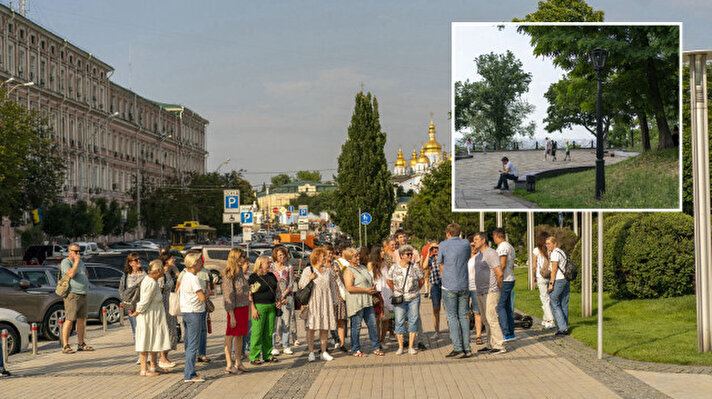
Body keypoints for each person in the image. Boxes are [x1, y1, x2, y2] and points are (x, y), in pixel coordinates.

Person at [129, 260, 172, 377]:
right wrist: (137, 312)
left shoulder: (152, 281)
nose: (163, 272)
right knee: (146, 341)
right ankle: (144, 369)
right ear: (158, 271)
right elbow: (144, 301)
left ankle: (154, 366)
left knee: (154, 340)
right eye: (162, 270)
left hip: (155, 316)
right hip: (148, 317)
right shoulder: (150, 283)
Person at [438, 223, 472, 359]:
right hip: (463, 283)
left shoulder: (443, 245)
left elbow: (440, 261)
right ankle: (467, 348)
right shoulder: (465, 244)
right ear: (459, 232)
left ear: (447, 233)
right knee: (463, 315)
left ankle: (457, 348)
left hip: (449, 284)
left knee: (452, 316)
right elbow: (467, 258)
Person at [342, 248, 383, 357]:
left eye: (358, 255)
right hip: (356, 302)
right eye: (355, 256)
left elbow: (367, 280)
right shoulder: (348, 271)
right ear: (349, 259)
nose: (358, 257)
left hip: (367, 301)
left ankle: (376, 347)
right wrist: (365, 290)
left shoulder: (363, 267)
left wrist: (371, 287)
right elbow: (349, 288)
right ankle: (356, 349)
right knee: (356, 326)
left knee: (373, 325)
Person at [299, 247, 337, 362]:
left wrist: (334, 302)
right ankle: (311, 352)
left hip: (326, 301)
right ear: (316, 257)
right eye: (323, 256)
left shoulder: (328, 271)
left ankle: (324, 351)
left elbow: (332, 288)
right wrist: (310, 279)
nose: (325, 258)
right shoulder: (308, 270)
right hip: (313, 302)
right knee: (311, 328)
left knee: (324, 327)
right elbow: (301, 285)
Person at [387, 245, 425, 355]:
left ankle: (411, 346)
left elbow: (421, 280)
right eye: (407, 254)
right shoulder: (394, 267)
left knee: (413, 320)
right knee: (399, 321)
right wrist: (396, 291)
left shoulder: (415, 267)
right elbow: (389, 281)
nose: (410, 256)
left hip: (413, 298)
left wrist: (416, 290)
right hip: (400, 298)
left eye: (411, 254)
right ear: (401, 255)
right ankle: (400, 346)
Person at [472, 232, 506, 354]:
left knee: (491, 317)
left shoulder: (491, 253)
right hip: (480, 291)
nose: (474, 242)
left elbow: (499, 272)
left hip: (491, 290)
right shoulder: (478, 256)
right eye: (473, 240)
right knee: (485, 319)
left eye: (476, 239)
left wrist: (499, 287)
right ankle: (490, 343)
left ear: (483, 240)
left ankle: (499, 345)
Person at [60, 243, 94, 354]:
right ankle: (65, 345)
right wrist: (77, 262)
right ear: (69, 251)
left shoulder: (81, 262)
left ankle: (81, 343)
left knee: (81, 320)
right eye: (76, 252)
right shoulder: (66, 262)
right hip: (72, 294)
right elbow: (70, 274)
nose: (78, 254)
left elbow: (84, 273)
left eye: (80, 252)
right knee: (69, 320)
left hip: (83, 293)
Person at [248, 255, 283, 364]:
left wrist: (279, 299)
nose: (270, 265)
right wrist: (253, 308)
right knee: (257, 332)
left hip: (271, 306)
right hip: (259, 306)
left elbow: (277, 289)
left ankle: (268, 354)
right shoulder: (254, 277)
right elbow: (250, 294)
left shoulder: (272, 275)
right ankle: (254, 356)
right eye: (267, 263)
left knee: (269, 332)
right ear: (261, 264)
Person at [221, 248, 251, 374]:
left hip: (244, 307)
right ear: (235, 258)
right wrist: (231, 315)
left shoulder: (240, 273)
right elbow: (228, 295)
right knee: (230, 335)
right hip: (234, 309)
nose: (243, 258)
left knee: (240, 336)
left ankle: (239, 362)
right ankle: (229, 364)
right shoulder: (229, 275)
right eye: (241, 256)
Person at [180, 252, 207, 382]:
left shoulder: (185, 276)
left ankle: (189, 370)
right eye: (200, 261)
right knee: (193, 344)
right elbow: (201, 297)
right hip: (194, 312)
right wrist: (207, 294)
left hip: (186, 312)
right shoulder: (193, 278)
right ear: (194, 264)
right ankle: (189, 374)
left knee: (188, 343)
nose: (202, 263)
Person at [119, 252, 146, 362]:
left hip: (144, 306)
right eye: (135, 260)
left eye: (139, 259)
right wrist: (127, 303)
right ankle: (140, 356)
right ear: (130, 263)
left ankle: (147, 354)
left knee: (146, 331)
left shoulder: (145, 274)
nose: (138, 261)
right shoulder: (126, 276)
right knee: (136, 331)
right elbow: (121, 291)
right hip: (132, 308)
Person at [493, 228, 516, 342]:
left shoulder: (502, 247)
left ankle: (505, 332)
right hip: (510, 278)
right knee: (507, 307)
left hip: (505, 280)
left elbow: (502, 264)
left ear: (497, 236)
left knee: (500, 306)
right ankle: (511, 333)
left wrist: (497, 277)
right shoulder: (510, 246)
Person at [270, 246, 294, 356]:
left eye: (284, 255)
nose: (282, 257)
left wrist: (283, 296)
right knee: (273, 323)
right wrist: (277, 297)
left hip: (287, 297)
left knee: (286, 322)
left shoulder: (289, 267)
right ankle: (273, 346)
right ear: (276, 256)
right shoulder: (271, 267)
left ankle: (286, 344)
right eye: (280, 255)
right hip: (274, 298)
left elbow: (291, 284)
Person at [158, 249, 178, 368]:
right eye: (171, 259)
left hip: (169, 306)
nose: (174, 260)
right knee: (165, 332)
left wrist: (174, 269)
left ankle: (165, 356)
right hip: (164, 306)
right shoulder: (162, 276)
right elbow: (159, 292)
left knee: (171, 331)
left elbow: (178, 276)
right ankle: (162, 358)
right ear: (166, 261)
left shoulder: (168, 273)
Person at [547, 236, 570, 335]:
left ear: (554, 244)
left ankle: (563, 327)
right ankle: (564, 325)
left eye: (549, 243)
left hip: (559, 280)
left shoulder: (555, 254)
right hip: (566, 280)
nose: (547, 245)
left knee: (554, 302)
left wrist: (551, 284)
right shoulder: (561, 252)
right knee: (563, 303)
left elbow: (554, 270)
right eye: (546, 243)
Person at [327, 245, 349, 352]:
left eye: (331, 253)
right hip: (327, 297)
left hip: (338, 295)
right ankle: (327, 344)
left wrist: (338, 273)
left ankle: (342, 343)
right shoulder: (320, 266)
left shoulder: (336, 264)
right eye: (328, 253)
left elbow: (343, 279)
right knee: (327, 322)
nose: (330, 255)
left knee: (340, 320)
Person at [532, 232, 555, 329]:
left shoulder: (536, 250)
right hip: (550, 276)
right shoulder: (550, 250)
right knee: (548, 298)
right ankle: (545, 319)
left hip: (540, 276)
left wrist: (533, 276)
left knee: (544, 299)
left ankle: (551, 321)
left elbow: (534, 266)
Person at [422, 240, 443, 338]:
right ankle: (437, 331)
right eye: (433, 248)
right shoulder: (430, 258)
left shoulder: (443, 258)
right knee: (436, 309)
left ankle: (452, 331)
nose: (435, 250)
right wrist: (428, 253)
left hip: (444, 285)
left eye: (436, 248)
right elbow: (424, 266)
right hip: (434, 285)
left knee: (448, 309)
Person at [466, 236, 483, 346]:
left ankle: (478, 335)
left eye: (475, 245)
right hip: (465, 286)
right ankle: (467, 335)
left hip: (476, 287)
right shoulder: (464, 257)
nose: (473, 247)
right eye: (471, 245)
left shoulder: (480, 257)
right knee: (465, 312)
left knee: (477, 312)